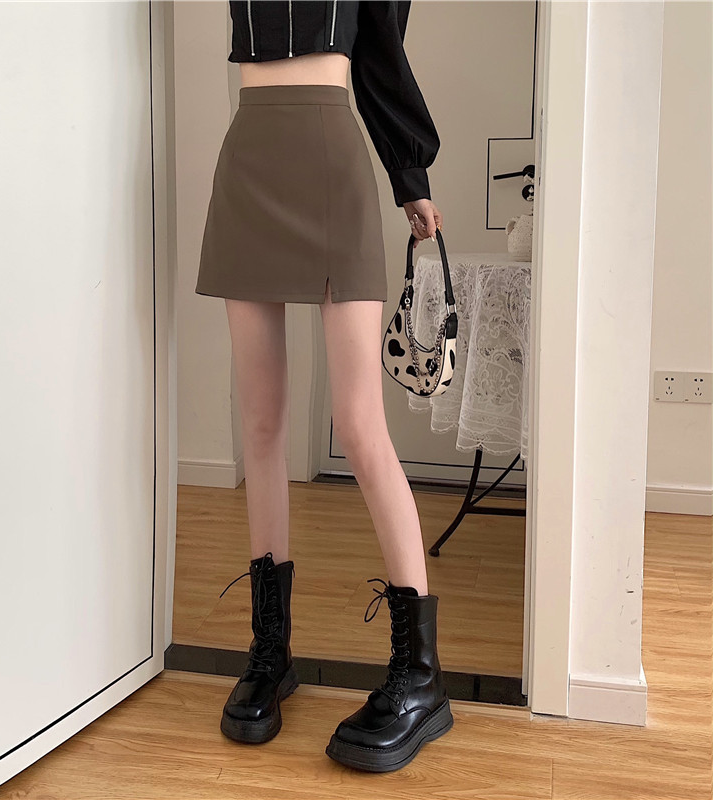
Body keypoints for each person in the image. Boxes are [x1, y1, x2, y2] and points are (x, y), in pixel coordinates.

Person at [195, 0, 454, 773]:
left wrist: (410, 174)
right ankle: (270, 652)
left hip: (332, 160)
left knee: (360, 425)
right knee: (260, 424)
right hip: (249, 158)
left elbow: (381, 49)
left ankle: (419, 677)